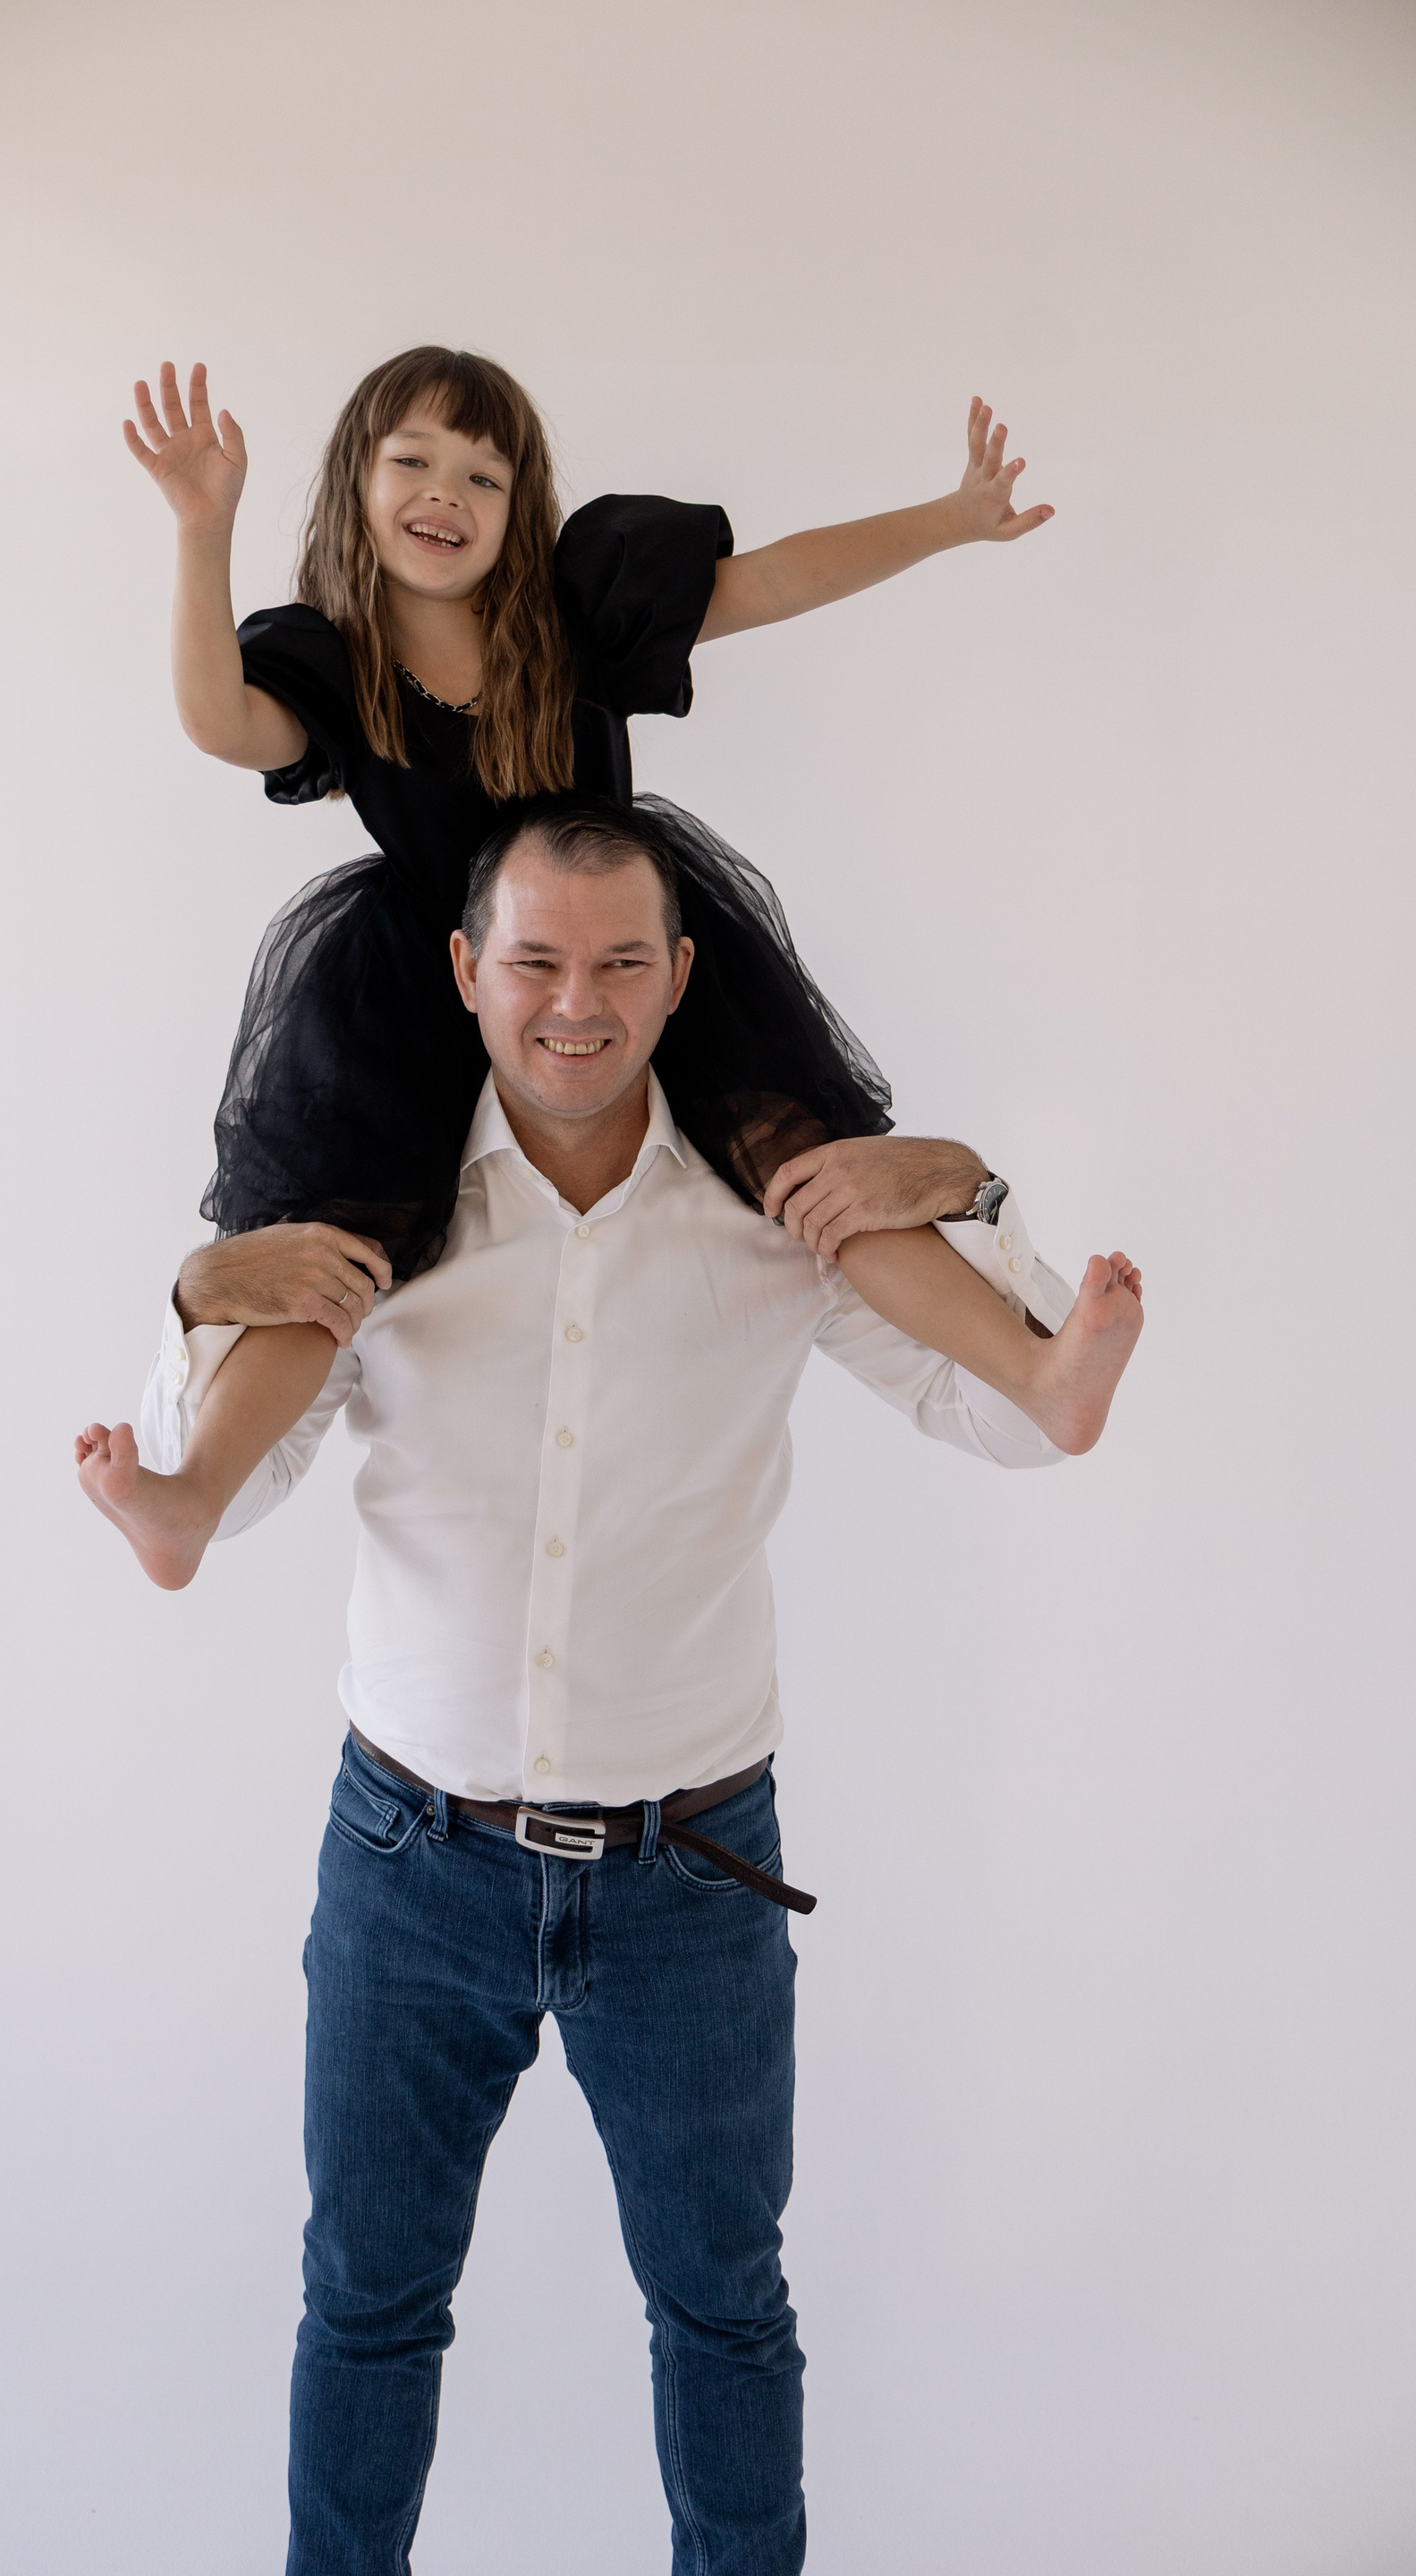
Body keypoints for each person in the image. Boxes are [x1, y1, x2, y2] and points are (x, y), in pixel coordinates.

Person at [75, 799, 1142, 2572]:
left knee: (725, 2311)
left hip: (690, 1873)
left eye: (621, 964)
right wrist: (197, 1302)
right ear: (465, 971)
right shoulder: (386, 1213)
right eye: (539, 963)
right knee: (367, 2304)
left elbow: (1002, 1422)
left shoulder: (769, 1214)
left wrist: (974, 1193)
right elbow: (248, 1490)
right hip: (413, 1861)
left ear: (682, 974)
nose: (577, 1005)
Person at [122, 341, 1059, 1497]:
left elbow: (778, 580)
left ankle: (1034, 1368)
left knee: (811, 1170)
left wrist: (952, 518)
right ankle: (193, 1490)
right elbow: (220, 720)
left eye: (483, 475)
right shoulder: (335, 663)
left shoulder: (577, 614)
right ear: (354, 482)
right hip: (417, 985)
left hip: (614, 954)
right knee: (333, 1251)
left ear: (520, 510)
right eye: (412, 460)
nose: (445, 493)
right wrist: (201, 528)